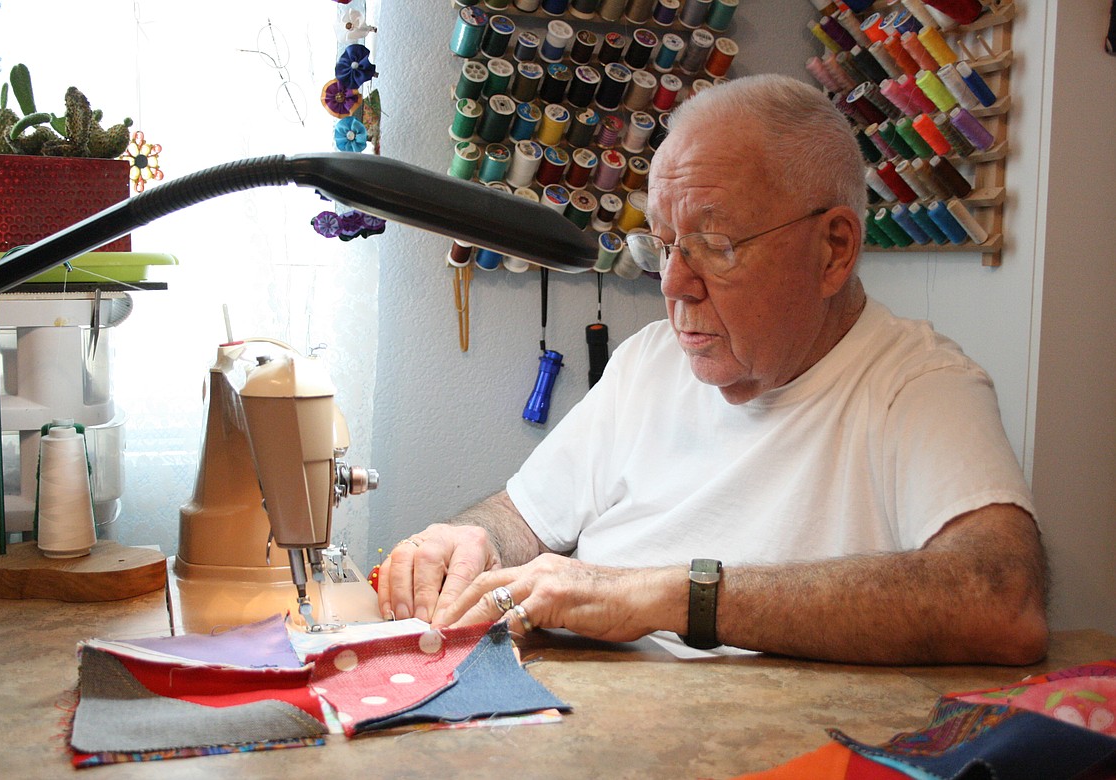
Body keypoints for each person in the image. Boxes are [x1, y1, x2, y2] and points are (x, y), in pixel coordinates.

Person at [379, 73, 1048, 666]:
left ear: (834, 249)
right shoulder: (649, 361)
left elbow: (999, 600)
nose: (673, 285)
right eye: (666, 245)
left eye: (714, 245)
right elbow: (520, 517)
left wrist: (673, 596)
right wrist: (469, 540)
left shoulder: (918, 387)